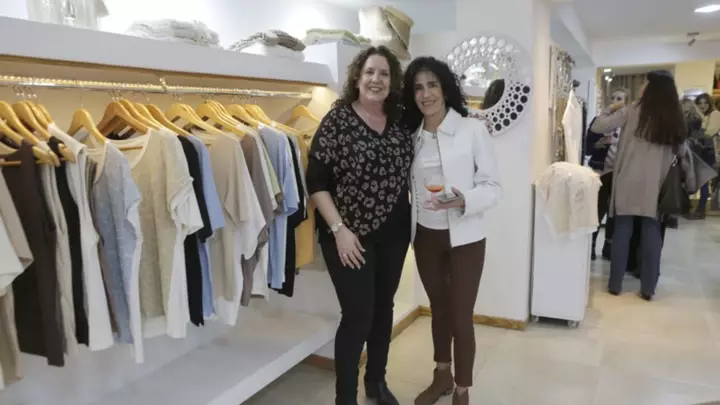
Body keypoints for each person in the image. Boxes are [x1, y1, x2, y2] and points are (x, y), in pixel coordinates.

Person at [306, 45, 412, 405]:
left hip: (394, 235)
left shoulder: (400, 122)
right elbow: (316, 183)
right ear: (357, 77)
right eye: (369, 72)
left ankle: (376, 382)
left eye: (384, 73)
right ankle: (345, 398)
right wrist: (339, 231)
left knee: (383, 310)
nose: (376, 79)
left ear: (392, 81)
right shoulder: (337, 120)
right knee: (358, 315)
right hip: (348, 235)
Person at [401, 56, 502, 405]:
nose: (426, 94)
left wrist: (464, 200)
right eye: (418, 87)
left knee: (460, 316)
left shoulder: (473, 130)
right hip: (425, 237)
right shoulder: (411, 137)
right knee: (439, 310)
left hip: (466, 237)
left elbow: (493, 187)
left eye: (432, 85)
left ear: (445, 88)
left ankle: (462, 389)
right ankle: (441, 376)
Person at [590, 70, 689, 301]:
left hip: (627, 179)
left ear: (651, 88)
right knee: (651, 232)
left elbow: (598, 126)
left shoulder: (631, 110)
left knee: (622, 231)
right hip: (656, 184)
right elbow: (683, 151)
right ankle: (648, 288)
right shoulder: (674, 117)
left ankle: (615, 284)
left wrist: (610, 108)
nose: (642, 86)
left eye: (645, 83)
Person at [585, 88, 630, 260]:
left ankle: (609, 247)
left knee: (615, 212)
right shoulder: (599, 122)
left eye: (620, 98)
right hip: (600, 171)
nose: (615, 101)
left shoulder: (628, 123)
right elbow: (587, 147)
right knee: (597, 210)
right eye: (613, 98)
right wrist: (597, 145)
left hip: (619, 173)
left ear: (626, 103)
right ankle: (591, 244)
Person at [688, 93, 720, 219]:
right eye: (700, 103)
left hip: (709, 152)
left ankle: (700, 210)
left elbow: (708, 133)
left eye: (705, 102)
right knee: (700, 181)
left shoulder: (715, 114)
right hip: (699, 151)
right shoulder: (701, 117)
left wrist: (700, 118)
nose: (703, 105)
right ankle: (697, 209)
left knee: (704, 181)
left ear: (710, 103)